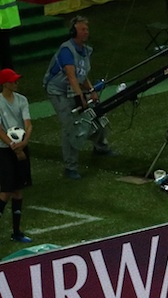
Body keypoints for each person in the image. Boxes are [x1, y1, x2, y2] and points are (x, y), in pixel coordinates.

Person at [42, 15, 112, 180]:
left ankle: (100, 146)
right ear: (74, 31)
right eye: (82, 29)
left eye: (87, 29)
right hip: (58, 91)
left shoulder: (85, 50)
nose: (86, 32)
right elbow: (71, 76)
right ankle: (70, 166)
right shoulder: (67, 50)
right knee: (70, 126)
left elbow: (82, 76)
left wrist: (92, 90)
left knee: (97, 114)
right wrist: (81, 97)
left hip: (73, 88)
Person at [0, 67, 32, 243]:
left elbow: (28, 123)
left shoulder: (22, 100)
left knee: (18, 190)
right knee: (6, 191)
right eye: (13, 80)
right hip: (5, 149)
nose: (16, 82)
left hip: (20, 146)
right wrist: (13, 146)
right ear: (5, 83)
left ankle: (17, 232)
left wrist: (24, 142)